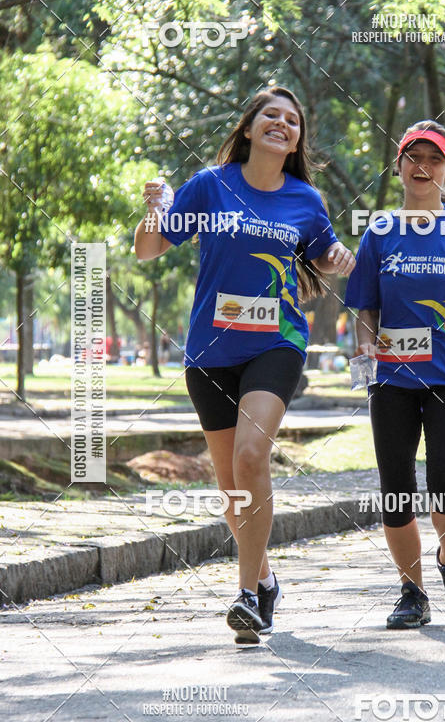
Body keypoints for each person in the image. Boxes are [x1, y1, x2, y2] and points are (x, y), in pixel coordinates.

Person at [135, 86, 354, 644]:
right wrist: (150, 214)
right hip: (210, 351)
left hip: (276, 343)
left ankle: (247, 598)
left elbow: (323, 254)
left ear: (296, 138)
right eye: (271, 116)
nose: (282, 124)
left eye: (293, 120)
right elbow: (148, 249)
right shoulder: (211, 186)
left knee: (254, 455)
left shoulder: (307, 199)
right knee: (232, 488)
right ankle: (266, 578)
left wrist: (337, 256)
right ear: (251, 128)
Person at [345, 120, 445, 629]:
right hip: (392, 375)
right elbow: (364, 305)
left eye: (433, 158)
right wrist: (365, 341)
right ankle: (411, 592)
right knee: (396, 485)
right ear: (399, 167)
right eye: (412, 157)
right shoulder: (379, 232)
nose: (422, 166)